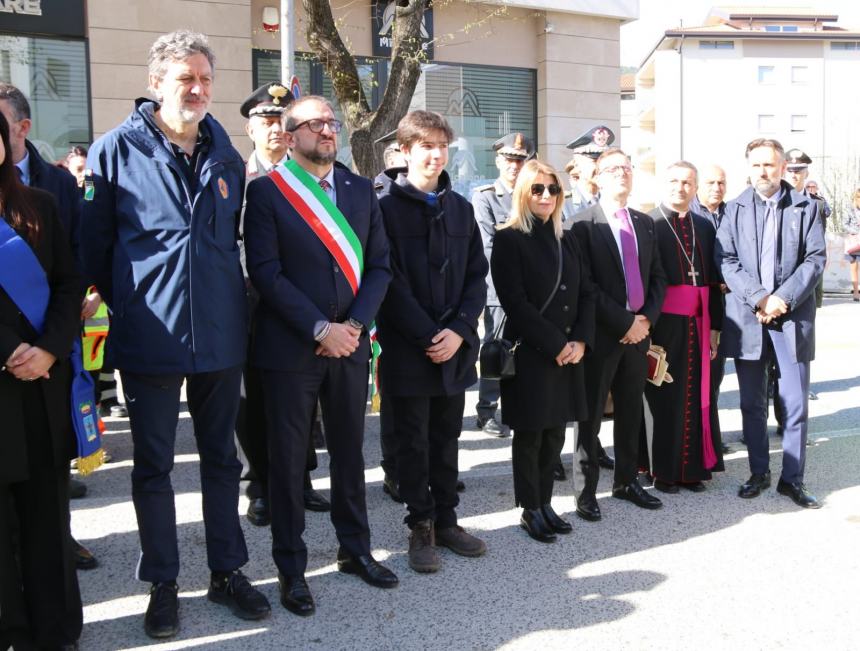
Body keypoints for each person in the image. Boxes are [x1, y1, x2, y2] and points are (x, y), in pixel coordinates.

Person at [80, 30, 271, 638]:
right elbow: (95, 249)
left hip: (220, 337)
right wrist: (135, 307)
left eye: (206, 79)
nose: (198, 89)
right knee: (154, 469)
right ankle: (163, 584)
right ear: (155, 83)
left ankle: (227, 572)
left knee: (221, 460)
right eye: (186, 78)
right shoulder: (115, 151)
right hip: (150, 338)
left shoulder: (223, 153)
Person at [244, 95, 397, 616]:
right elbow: (265, 272)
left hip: (350, 345)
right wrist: (318, 327)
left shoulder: (358, 188)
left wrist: (352, 327)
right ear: (289, 136)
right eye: (315, 124)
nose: (328, 131)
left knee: (351, 453)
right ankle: (291, 567)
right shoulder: (266, 192)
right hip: (291, 349)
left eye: (332, 122)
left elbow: (379, 266)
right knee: (287, 465)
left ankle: (355, 550)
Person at [375, 110, 488, 572]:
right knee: (412, 443)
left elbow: (476, 277)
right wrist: (428, 334)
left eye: (442, 146)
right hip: (409, 348)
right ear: (404, 151)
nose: (436, 154)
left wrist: (460, 329)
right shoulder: (381, 206)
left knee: (446, 438)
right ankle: (419, 525)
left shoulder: (459, 207)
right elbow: (388, 280)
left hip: (453, 348)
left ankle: (446, 519)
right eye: (425, 146)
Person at [0, 83, 100, 569]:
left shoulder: (50, 189)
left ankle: (59, 548)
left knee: (47, 486)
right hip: (8, 363)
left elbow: (72, 264)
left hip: (46, 359)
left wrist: (50, 346)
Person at [0, 110, 83, 651]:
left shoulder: (41, 207)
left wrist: (50, 348)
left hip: (41, 385)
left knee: (47, 517)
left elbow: (68, 283)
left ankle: (56, 630)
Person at [236, 82, 330, 528]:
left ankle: (301, 479)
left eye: (280, 119)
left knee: (303, 398)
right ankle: (260, 485)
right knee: (254, 397)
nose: (273, 128)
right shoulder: (236, 177)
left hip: (305, 305)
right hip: (250, 304)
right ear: (250, 128)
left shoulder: (313, 174)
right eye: (264, 120)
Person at [716, 138, 825, 509]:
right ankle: (758, 472)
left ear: (782, 168)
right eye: (757, 164)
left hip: (791, 318)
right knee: (752, 403)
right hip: (749, 318)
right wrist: (761, 298)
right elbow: (727, 260)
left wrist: (782, 299)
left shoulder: (805, 208)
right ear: (748, 167)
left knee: (795, 404)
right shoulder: (733, 210)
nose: (764, 171)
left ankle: (792, 479)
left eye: (770, 164)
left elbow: (814, 259)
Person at [492, 160, 594, 542]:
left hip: (570, 353)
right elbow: (515, 302)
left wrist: (580, 341)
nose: (546, 196)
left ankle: (547, 503)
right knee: (531, 434)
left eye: (552, 189)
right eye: (538, 189)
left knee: (555, 434)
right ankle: (530, 508)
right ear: (523, 193)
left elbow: (586, 293)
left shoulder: (568, 239)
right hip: (535, 353)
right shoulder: (509, 238)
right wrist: (556, 345)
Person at [570, 148, 668, 521]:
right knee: (590, 414)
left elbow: (658, 277)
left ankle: (626, 481)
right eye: (613, 169)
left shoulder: (644, 223)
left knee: (630, 410)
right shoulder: (582, 225)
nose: (622, 174)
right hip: (603, 334)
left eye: (626, 168)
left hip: (639, 333)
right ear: (596, 178)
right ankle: (585, 490)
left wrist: (645, 320)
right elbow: (587, 286)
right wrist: (623, 322)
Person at [645, 162, 724, 493]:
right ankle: (662, 470)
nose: (681, 187)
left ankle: (692, 469)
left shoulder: (705, 227)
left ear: (695, 188)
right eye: (675, 181)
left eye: (688, 182)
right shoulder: (648, 223)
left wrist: (715, 327)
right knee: (663, 396)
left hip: (699, 322)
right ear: (665, 184)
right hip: (663, 325)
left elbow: (714, 281)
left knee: (698, 395)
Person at [472, 133, 536, 438]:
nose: (515, 166)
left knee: (525, 350)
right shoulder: (484, 196)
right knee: (496, 348)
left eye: (520, 160)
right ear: (498, 161)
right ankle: (487, 410)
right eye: (510, 159)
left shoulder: (534, 195)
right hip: (500, 289)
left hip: (533, 290)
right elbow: (486, 247)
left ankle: (519, 406)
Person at [561, 125, 614, 221]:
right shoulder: (562, 206)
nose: (600, 167)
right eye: (595, 161)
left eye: (604, 162)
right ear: (577, 164)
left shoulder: (613, 203)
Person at [845, 188, 860, 302]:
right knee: (854, 268)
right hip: (854, 242)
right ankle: (856, 292)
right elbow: (844, 224)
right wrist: (855, 231)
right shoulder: (850, 208)